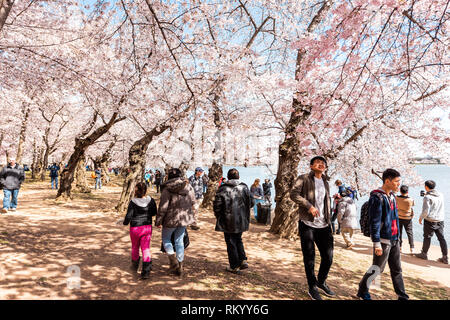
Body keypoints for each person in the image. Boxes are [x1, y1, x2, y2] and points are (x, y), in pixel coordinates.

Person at [357, 169, 409, 301]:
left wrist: (399, 239)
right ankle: (363, 290)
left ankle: (402, 296)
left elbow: (395, 219)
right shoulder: (377, 197)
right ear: (387, 181)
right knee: (377, 269)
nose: (399, 184)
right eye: (397, 182)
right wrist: (377, 243)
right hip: (383, 240)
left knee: (397, 269)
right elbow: (374, 222)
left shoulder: (392, 196)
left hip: (395, 239)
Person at [290, 156, 335, 300]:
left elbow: (326, 202)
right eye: (318, 162)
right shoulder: (303, 178)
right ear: (311, 166)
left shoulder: (326, 182)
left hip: (324, 225)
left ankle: (321, 281)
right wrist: (309, 206)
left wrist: (330, 219)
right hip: (307, 224)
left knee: (328, 257)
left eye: (323, 163)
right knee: (309, 257)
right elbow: (293, 194)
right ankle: (312, 286)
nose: (321, 164)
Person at [156, 168, 196, 276]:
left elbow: (162, 207)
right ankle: (180, 265)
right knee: (179, 241)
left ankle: (173, 261)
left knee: (166, 238)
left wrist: (158, 220)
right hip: (183, 219)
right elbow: (193, 201)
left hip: (170, 219)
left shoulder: (166, 189)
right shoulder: (188, 187)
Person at [213, 168, 254, 274]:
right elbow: (252, 202)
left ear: (228, 176)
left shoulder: (223, 188)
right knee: (238, 239)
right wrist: (243, 211)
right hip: (241, 219)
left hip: (228, 219)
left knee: (230, 242)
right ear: (238, 177)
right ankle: (243, 259)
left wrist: (219, 216)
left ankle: (234, 266)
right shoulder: (244, 187)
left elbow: (217, 205)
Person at [122, 182, 157, 280]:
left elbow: (128, 216)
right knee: (146, 249)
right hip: (146, 227)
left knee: (135, 247)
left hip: (135, 228)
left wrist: (125, 223)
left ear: (136, 191)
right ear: (145, 190)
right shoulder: (151, 200)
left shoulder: (133, 202)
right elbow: (154, 212)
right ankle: (145, 271)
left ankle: (134, 267)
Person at [415, 180, 447, 264]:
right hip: (440, 220)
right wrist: (427, 194)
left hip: (430, 220)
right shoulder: (441, 195)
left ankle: (424, 254)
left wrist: (421, 218)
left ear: (426, 187)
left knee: (427, 237)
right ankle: (445, 257)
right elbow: (434, 197)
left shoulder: (427, 197)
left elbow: (426, 211)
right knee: (441, 238)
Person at [395, 185, 415, 254]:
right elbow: (412, 205)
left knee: (399, 233)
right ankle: (412, 248)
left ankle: (399, 247)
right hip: (407, 218)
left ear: (400, 191)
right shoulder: (410, 199)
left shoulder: (396, 198)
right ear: (407, 191)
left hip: (399, 217)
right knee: (409, 233)